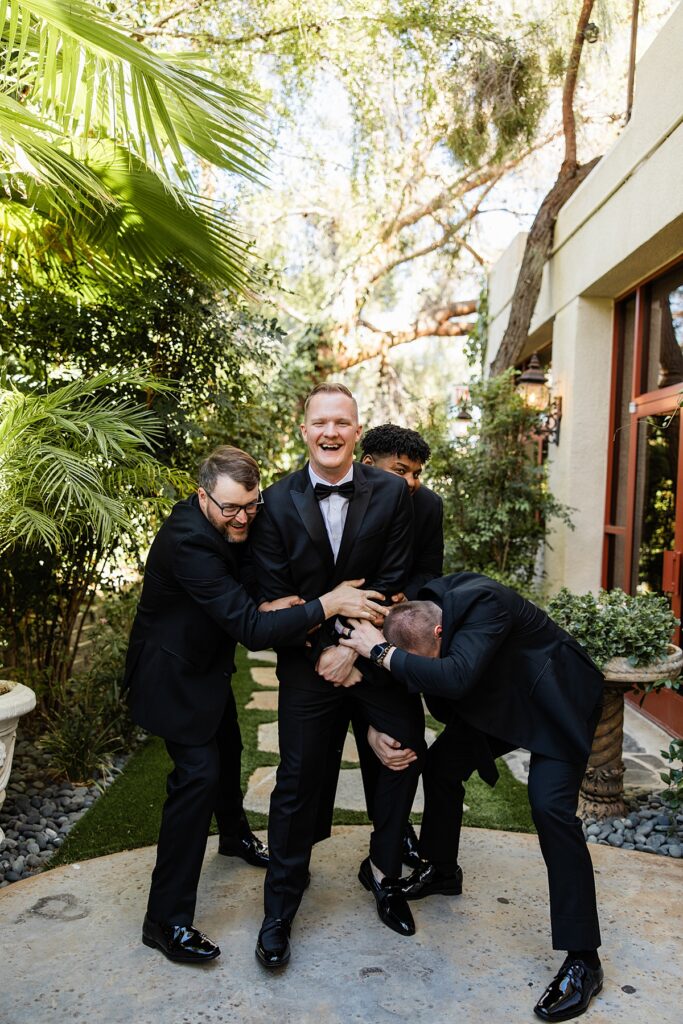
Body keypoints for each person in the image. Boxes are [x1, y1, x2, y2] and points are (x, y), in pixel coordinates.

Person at [123, 445, 387, 964]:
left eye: (251, 505)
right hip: (171, 676)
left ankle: (235, 838)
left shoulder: (231, 521)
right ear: (203, 497)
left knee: (228, 748)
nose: (243, 518)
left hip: (206, 668)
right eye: (230, 509)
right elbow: (250, 628)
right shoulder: (187, 541)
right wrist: (327, 603)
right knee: (197, 778)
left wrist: (265, 600)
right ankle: (164, 921)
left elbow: (247, 583)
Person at [340, 572, 605, 1023]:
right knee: (442, 767)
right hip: (500, 699)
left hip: (556, 698)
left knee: (549, 808)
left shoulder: (485, 602)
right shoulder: (415, 613)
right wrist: (371, 721)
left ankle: (585, 960)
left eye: (427, 663)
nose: (424, 680)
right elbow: (402, 673)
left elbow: (455, 675)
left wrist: (383, 653)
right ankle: (443, 870)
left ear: (440, 630)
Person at [248, 383, 427, 969]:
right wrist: (326, 646)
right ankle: (280, 906)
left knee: (400, 753)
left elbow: (392, 581)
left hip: (375, 657)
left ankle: (384, 874)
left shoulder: (391, 493)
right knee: (297, 781)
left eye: (341, 423)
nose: (330, 432)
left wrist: (350, 651)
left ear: (356, 430)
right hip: (308, 665)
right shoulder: (275, 502)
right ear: (304, 430)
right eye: (320, 422)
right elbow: (277, 595)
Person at [315, 423, 444, 867]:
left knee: (398, 745)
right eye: (401, 470)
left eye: (417, 473)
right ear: (368, 464)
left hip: (391, 637)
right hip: (328, 638)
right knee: (317, 753)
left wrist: (398, 604)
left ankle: (393, 836)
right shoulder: (328, 495)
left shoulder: (428, 505)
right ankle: (301, 849)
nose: (412, 482)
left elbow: (429, 571)